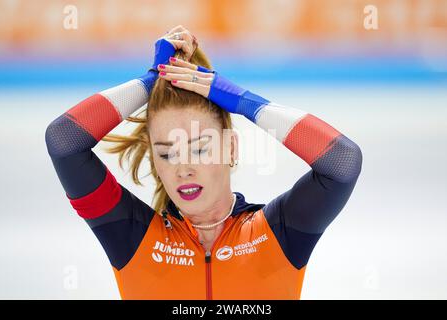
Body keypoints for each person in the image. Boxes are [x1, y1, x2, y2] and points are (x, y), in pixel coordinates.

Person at [45, 25, 362, 300]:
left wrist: (245, 102)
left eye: (199, 149)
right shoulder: (131, 236)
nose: (183, 169)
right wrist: (151, 81)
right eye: (167, 153)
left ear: (231, 148)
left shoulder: (280, 231)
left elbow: (342, 162)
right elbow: (64, 142)